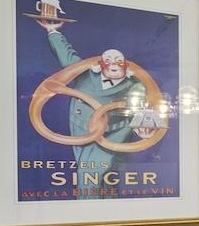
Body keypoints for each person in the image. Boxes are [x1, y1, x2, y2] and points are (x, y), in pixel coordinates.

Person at [35, 14, 163, 196]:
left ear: (126, 65)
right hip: (81, 129)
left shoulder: (135, 84)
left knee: (90, 174)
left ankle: (88, 212)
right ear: (100, 65)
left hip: (114, 132)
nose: (114, 65)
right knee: (100, 175)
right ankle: (105, 211)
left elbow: (141, 105)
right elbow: (66, 54)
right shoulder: (83, 74)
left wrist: (144, 127)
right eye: (109, 61)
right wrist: (52, 30)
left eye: (119, 62)